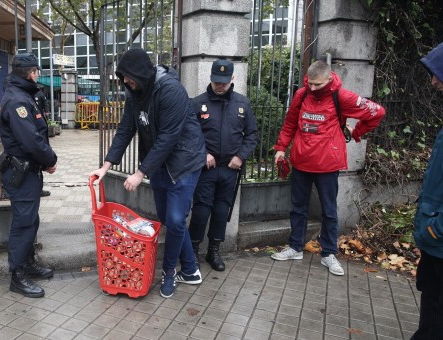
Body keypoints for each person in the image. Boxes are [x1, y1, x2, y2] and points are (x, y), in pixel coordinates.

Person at [89, 48, 207, 298]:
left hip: (184, 161)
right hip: (159, 164)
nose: (126, 83)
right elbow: (125, 130)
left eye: (129, 78)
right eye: (123, 79)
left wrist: (140, 172)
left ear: (142, 73)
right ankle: (191, 269)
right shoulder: (134, 93)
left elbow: (168, 138)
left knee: (175, 220)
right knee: (168, 219)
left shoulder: (170, 90)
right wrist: (106, 166)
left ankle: (169, 272)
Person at [270, 60, 385, 276]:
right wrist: (280, 148)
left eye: (317, 85)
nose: (313, 89)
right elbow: (290, 122)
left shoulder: (342, 96)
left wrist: (356, 132)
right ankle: (295, 247)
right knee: (297, 207)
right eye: (310, 83)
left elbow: (377, 112)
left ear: (329, 79)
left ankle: (329, 253)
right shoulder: (301, 94)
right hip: (301, 161)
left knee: (329, 211)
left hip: (327, 165)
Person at [189, 60, 258, 271]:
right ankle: (192, 252)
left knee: (221, 211)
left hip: (230, 169)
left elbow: (252, 135)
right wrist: (203, 153)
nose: (220, 86)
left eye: (224, 82)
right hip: (206, 169)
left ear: (232, 80)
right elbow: (190, 135)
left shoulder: (242, 103)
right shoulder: (197, 103)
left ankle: (214, 251)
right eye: (216, 81)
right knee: (201, 212)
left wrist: (240, 156)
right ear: (210, 78)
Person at [0, 53, 57, 298]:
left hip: (29, 170)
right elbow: (31, 140)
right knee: (23, 223)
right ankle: (17, 275)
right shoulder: (17, 102)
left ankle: (28, 263)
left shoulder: (24, 96)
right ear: (31, 73)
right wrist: (50, 160)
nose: (38, 76)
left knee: (31, 220)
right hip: (21, 172)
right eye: (37, 72)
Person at [411, 41, 443, 340]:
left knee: (435, 301)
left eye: (437, 74)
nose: (433, 81)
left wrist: (436, 229)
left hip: (440, 236)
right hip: (435, 236)